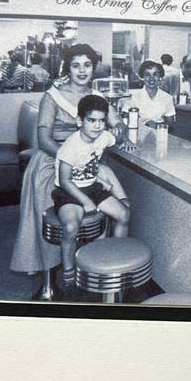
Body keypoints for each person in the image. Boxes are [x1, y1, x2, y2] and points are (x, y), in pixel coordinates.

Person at [10, 43, 126, 297]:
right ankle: (50, 277)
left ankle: (94, 265)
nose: (82, 70)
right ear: (68, 68)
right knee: (51, 208)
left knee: (110, 203)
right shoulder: (52, 96)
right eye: (76, 65)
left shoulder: (98, 97)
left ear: (94, 68)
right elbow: (43, 140)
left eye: (87, 65)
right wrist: (74, 159)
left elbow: (118, 123)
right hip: (53, 161)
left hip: (85, 165)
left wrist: (119, 129)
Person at [54, 95, 130, 289]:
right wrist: (86, 202)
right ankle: (68, 273)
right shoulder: (70, 146)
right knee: (71, 227)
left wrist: (125, 138)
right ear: (80, 121)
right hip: (70, 192)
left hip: (92, 187)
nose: (97, 126)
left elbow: (118, 133)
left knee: (123, 214)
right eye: (91, 120)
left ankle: (116, 259)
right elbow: (64, 180)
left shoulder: (103, 136)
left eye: (101, 121)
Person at [130, 60, 177, 127]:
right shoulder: (134, 97)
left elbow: (170, 123)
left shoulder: (167, 98)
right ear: (142, 77)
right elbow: (127, 119)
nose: (151, 79)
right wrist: (145, 123)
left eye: (155, 74)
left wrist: (159, 125)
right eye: (147, 75)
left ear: (160, 76)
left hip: (160, 133)